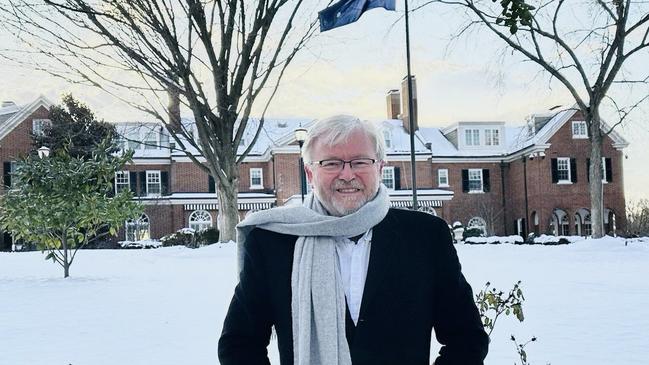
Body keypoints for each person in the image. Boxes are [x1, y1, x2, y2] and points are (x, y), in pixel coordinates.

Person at [218, 115, 489, 365]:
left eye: (360, 161)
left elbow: (466, 338)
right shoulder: (272, 243)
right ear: (310, 173)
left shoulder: (426, 237)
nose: (347, 175)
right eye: (331, 163)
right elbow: (240, 344)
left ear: (380, 167)